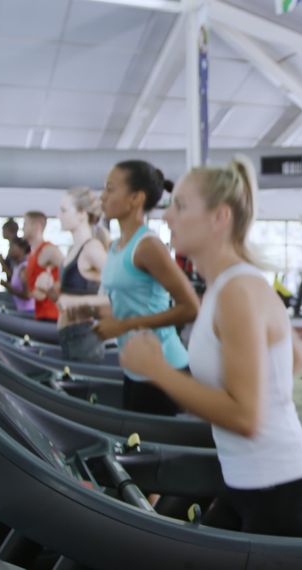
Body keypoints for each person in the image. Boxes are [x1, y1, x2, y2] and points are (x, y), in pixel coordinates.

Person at [120, 156, 302, 538]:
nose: (167, 217)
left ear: (219, 218)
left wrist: (159, 371)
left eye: (180, 206)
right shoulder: (229, 286)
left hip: (281, 495)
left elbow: (246, 418)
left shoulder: (237, 290)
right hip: (245, 483)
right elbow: (294, 356)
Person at [95, 160, 199, 415]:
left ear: (135, 198)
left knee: (156, 451)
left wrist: (123, 326)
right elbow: (127, 302)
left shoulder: (148, 246)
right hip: (134, 365)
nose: (103, 196)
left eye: (110, 189)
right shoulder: (115, 246)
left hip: (165, 365)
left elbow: (190, 308)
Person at [36, 188, 110, 363]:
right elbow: (65, 302)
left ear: (82, 214)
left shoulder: (92, 248)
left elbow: (122, 290)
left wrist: (77, 303)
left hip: (86, 340)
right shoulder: (72, 251)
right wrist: (50, 292)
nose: (59, 216)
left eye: (64, 210)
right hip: (69, 338)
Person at [22, 211, 62, 322]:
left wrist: (51, 287)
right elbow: (31, 291)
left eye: (25, 223)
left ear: (37, 226)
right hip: (41, 315)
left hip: (54, 317)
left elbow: (71, 274)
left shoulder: (48, 250)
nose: (22, 228)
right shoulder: (31, 254)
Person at [0, 237, 34, 314]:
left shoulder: (24, 268)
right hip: (22, 311)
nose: (9, 251)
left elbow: (28, 295)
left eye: (12, 247)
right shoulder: (17, 266)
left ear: (22, 249)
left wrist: (9, 288)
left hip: (29, 312)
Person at [0, 217, 19, 282]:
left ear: (8, 230)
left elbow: (13, 274)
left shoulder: (15, 247)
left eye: (3, 230)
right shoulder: (12, 245)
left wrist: (1, 261)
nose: (2, 232)